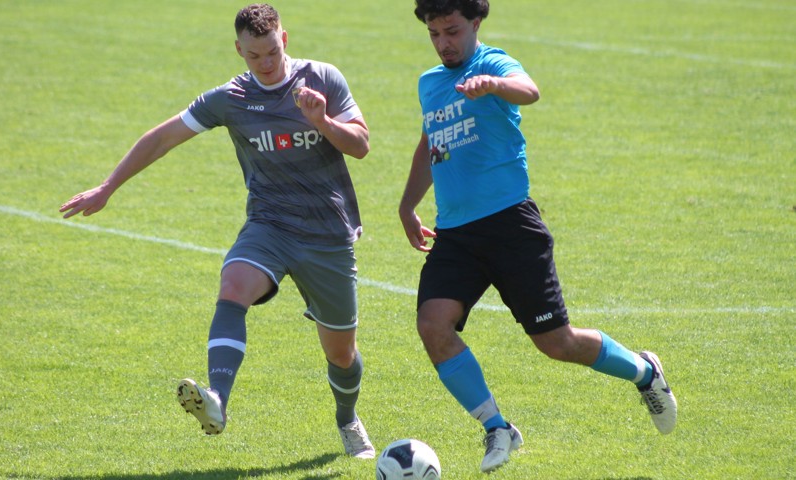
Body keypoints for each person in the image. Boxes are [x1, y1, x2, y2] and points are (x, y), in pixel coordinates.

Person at [59, 3, 375, 459]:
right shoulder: (230, 98)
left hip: (329, 234)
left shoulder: (322, 79)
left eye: (271, 52)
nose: (265, 64)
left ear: (284, 40)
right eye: (253, 56)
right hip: (269, 224)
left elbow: (362, 145)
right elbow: (163, 137)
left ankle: (347, 419)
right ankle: (218, 400)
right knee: (232, 286)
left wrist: (322, 122)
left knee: (342, 353)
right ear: (239, 51)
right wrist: (108, 187)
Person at [399, 0, 677, 473]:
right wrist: (407, 204)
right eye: (434, 34)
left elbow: (529, 90)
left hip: (511, 227)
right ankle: (497, 428)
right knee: (433, 325)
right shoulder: (429, 83)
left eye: (452, 31)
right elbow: (431, 141)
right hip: (456, 234)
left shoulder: (492, 63)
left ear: (476, 24)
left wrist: (494, 86)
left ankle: (645, 371)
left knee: (557, 344)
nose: (444, 42)